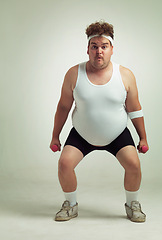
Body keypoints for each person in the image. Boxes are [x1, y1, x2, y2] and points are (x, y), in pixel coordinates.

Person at [50, 21, 149, 223]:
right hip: (82, 133)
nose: (99, 51)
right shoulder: (73, 73)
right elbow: (63, 107)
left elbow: (134, 109)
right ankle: (70, 204)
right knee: (64, 164)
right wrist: (55, 135)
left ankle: (132, 205)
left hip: (117, 134)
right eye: (94, 46)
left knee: (134, 165)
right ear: (87, 49)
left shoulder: (126, 75)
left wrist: (143, 137)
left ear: (112, 49)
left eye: (104, 46)